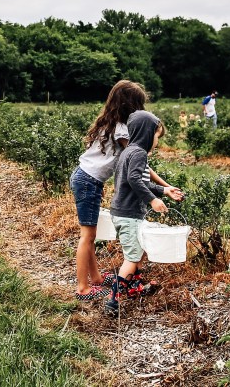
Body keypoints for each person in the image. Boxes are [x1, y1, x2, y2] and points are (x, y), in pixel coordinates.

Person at [70, 80, 180, 301]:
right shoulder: (122, 131)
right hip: (88, 180)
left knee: (91, 234)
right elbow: (139, 167)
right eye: (139, 105)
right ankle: (83, 288)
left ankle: (97, 280)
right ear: (130, 105)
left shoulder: (111, 123)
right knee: (88, 236)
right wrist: (165, 187)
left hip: (87, 178)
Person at [104, 110, 183, 317]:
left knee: (137, 253)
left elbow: (140, 180)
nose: (157, 140)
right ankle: (113, 300)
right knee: (132, 257)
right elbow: (135, 180)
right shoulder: (138, 153)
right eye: (157, 135)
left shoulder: (129, 151)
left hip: (125, 213)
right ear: (147, 133)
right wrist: (152, 199)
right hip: (128, 215)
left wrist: (164, 190)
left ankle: (134, 286)